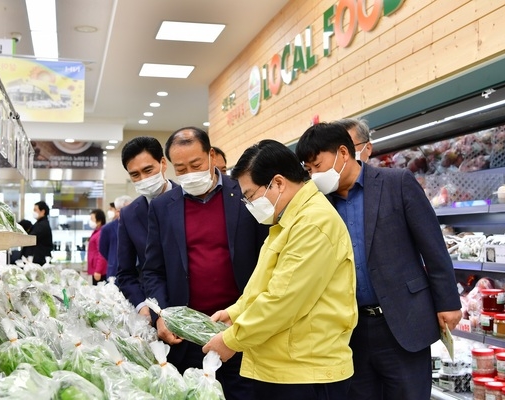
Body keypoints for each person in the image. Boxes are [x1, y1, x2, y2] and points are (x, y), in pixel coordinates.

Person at [295, 122, 462, 400]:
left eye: (317, 165)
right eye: (309, 170)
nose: (314, 175)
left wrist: (448, 302)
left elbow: (432, 246)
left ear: (343, 153)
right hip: (350, 330)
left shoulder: (397, 182)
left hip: (403, 320)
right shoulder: (319, 204)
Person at [203, 139, 357, 400]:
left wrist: (231, 340)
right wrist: (234, 313)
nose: (249, 204)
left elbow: (283, 300)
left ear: (277, 183)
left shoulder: (312, 223)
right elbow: (265, 285)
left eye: (250, 196)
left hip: (306, 372)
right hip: (285, 365)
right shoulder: (288, 220)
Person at [142, 127, 268, 400]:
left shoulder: (245, 194)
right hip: (186, 338)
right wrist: (161, 315)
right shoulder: (163, 207)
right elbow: (153, 270)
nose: (189, 173)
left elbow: (267, 260)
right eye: (180, 168)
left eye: (195, 164)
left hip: (241, 331)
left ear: (211, 155)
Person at [117, 136, 176, 319]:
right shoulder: (129, 215)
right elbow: (125, 273)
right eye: (135, 175)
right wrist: (141, 304)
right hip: (153, 307)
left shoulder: (188, 199)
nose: (143, 179)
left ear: (163, 163)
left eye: (148, 170)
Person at [99, 195, 133, 282]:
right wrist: (113, 259)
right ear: (118, 211)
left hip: (134, 272)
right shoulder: (107, 228)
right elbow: (103, 249)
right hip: (114, 270)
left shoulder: (136, 226)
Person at [22, 201, 53, 265]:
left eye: (35, 210)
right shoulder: (39, 224)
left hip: (39, 260)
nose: (34, 212)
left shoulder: (42, 225)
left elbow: (31, 238)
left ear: (43, 211)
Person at [87, 209, 108, 285]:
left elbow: (101, 253)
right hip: (95, 268)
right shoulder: (96, 232)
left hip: (99, 270)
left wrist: (98, 270)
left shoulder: (101, 233)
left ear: (99, 221)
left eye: (92, 219)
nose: (90, 221)